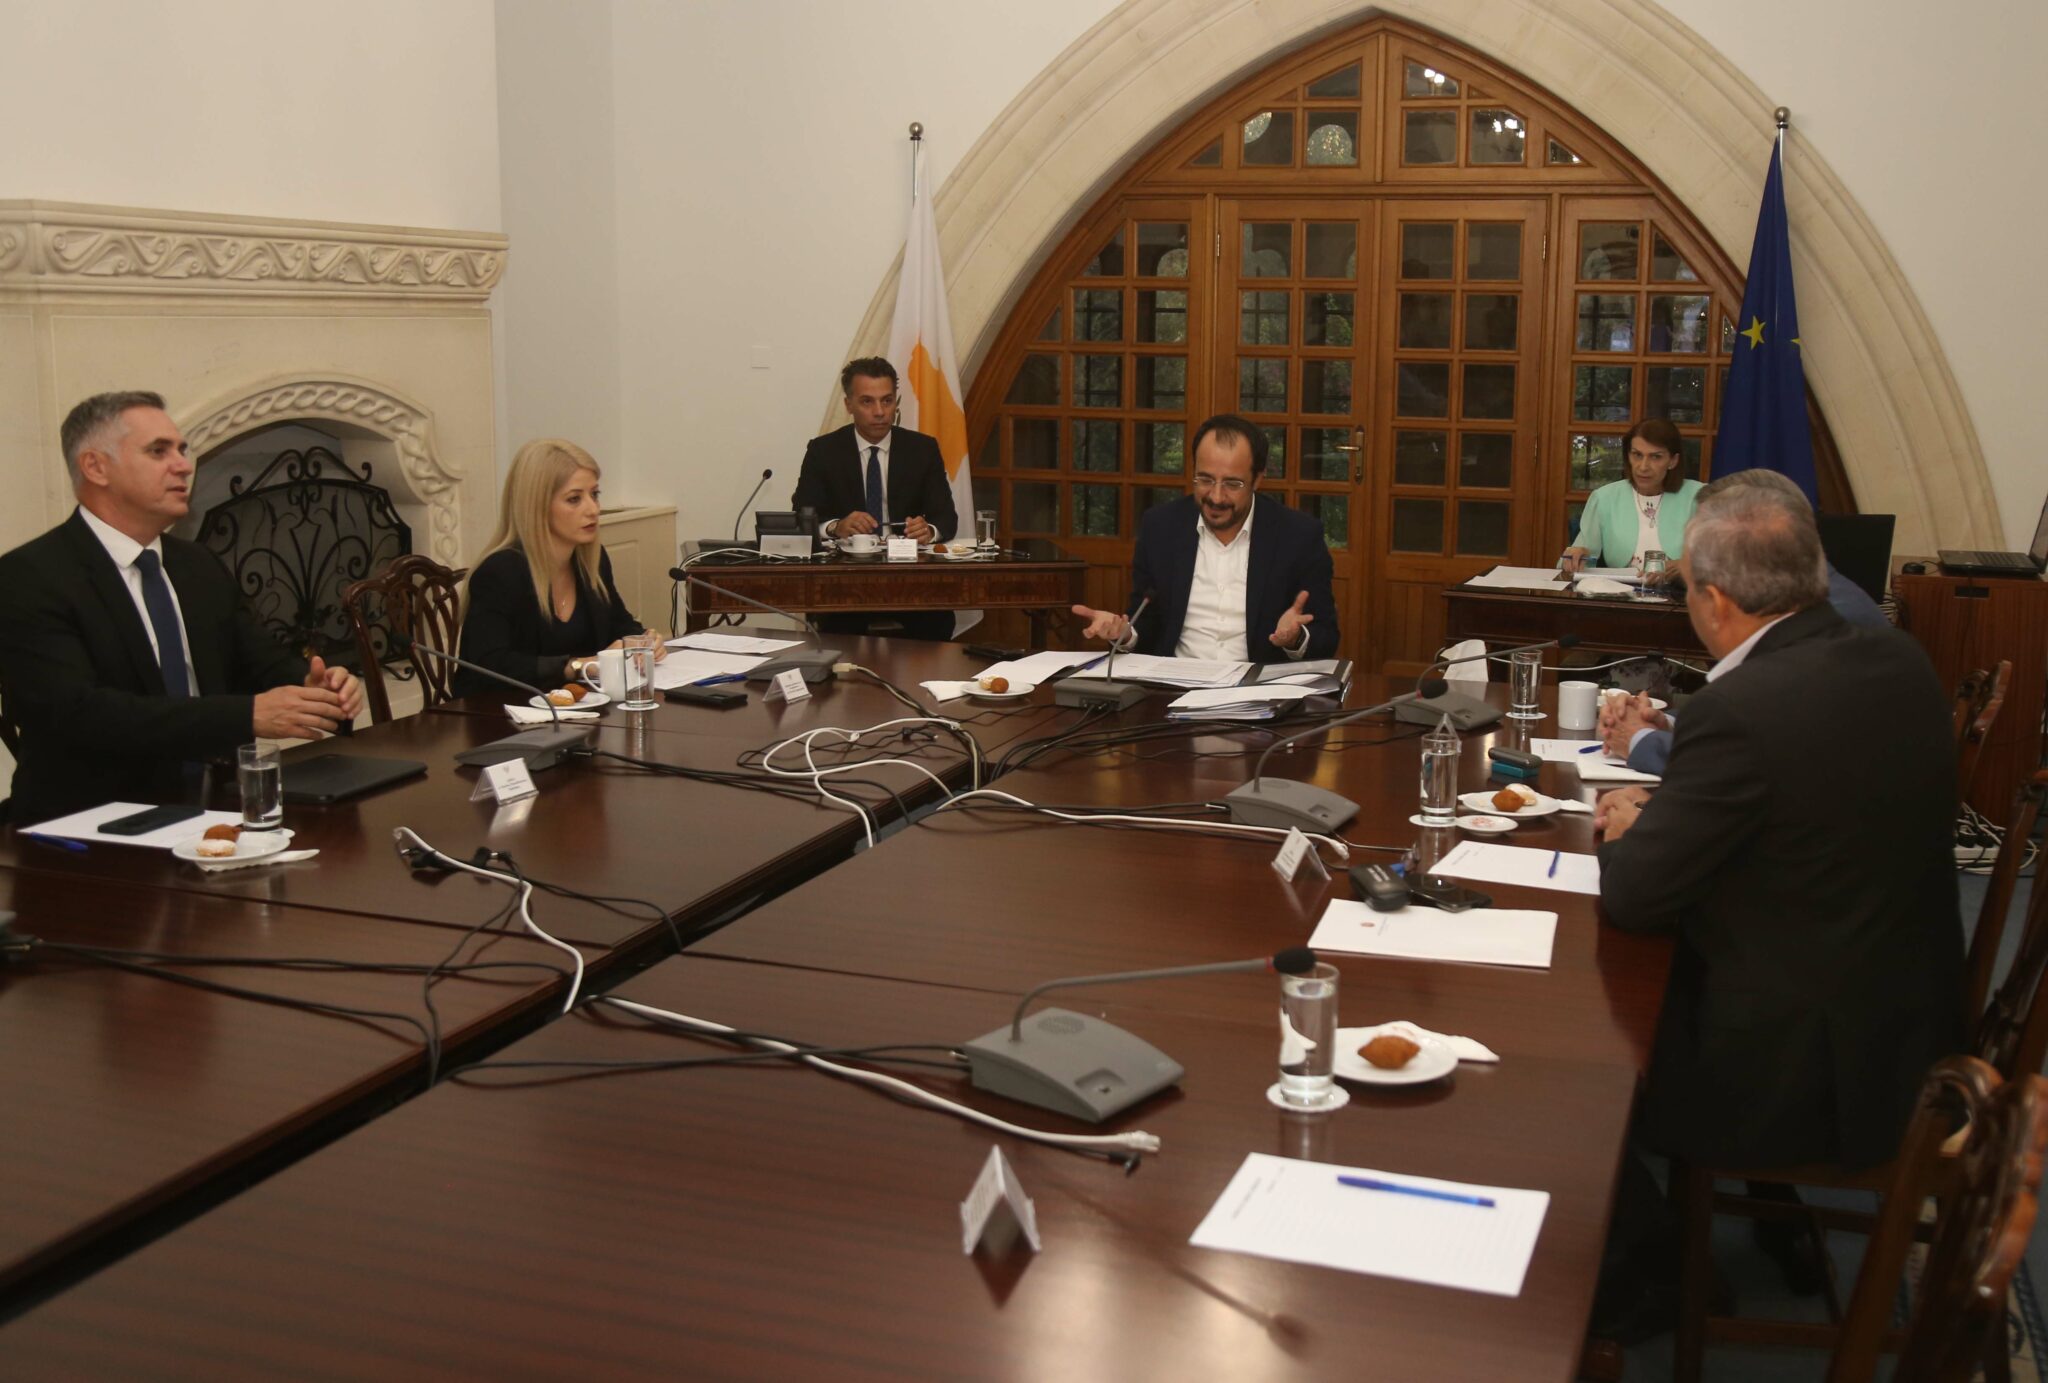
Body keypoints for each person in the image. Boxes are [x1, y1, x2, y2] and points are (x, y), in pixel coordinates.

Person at [1588, 479, 1962, 1331]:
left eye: (1686, 589)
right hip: (1909, 1028)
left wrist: (1629, 830)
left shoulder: (1741, 707)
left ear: (1717, 602)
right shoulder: (1900, 660)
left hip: (1807, 1069)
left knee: (1581, 1057)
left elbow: (1636, 895)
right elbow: (1803, 813)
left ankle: (1653, 1271)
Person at [0, 391, 362, 825]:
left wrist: (316, 687)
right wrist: (246, 715)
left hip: (219, 805)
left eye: (181, 450)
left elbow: (261, 661)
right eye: (159, 451)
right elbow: (78, 714)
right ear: (96, 467)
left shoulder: (197, 563)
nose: (184, 466)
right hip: (91, 822)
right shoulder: (29, 576)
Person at [1599, 466, 1892, 773]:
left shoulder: (1835, 621)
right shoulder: (1804, 604)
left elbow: (1754, 756)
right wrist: (1667, 724)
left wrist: (1639, 739)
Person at [1070, 415, 1338, 664]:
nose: (1216, 497)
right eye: (1205, 479)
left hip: (1258, 688)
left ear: (1257, 479)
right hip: (1174, 685)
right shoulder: (1161, 528)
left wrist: (1296, 638)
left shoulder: (1298, 536)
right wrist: (1125, 634)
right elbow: (1147, 621)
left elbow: (1326, 637)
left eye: (1232, 484)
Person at [456, 439, 663, 697]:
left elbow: (619, 624)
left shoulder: (591, 561)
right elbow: (490, 665)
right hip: (501, 711)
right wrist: (575, 667)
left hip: (582, 707)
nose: (593, 509)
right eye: (574, 499)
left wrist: (643, 641)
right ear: (537, 506)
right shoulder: (500, 572)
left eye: (594, 494)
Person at [790, 357, 958, 641]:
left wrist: (929, 531)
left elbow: (946, 517)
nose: (879, 412)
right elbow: (802, 516)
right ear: (849, 405)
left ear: (896, 402)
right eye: (867, 402)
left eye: (887, 401)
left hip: (912, 581)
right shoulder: (824, 451)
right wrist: (836, 526)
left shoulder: (922, 449)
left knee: (936, 621)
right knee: (837, 626)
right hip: (845, 583)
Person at [1560, 418, 1703, 574]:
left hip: (1682, 589)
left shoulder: (1700, 497)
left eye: (1656, 457)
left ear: (1673, 461)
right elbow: (1573, 562)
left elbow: (1718, 562)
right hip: (1619, 588)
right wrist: (1577, 556)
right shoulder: (1605, 498)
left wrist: (1685, 565)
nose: (1643, 467)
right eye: (1637, 455)